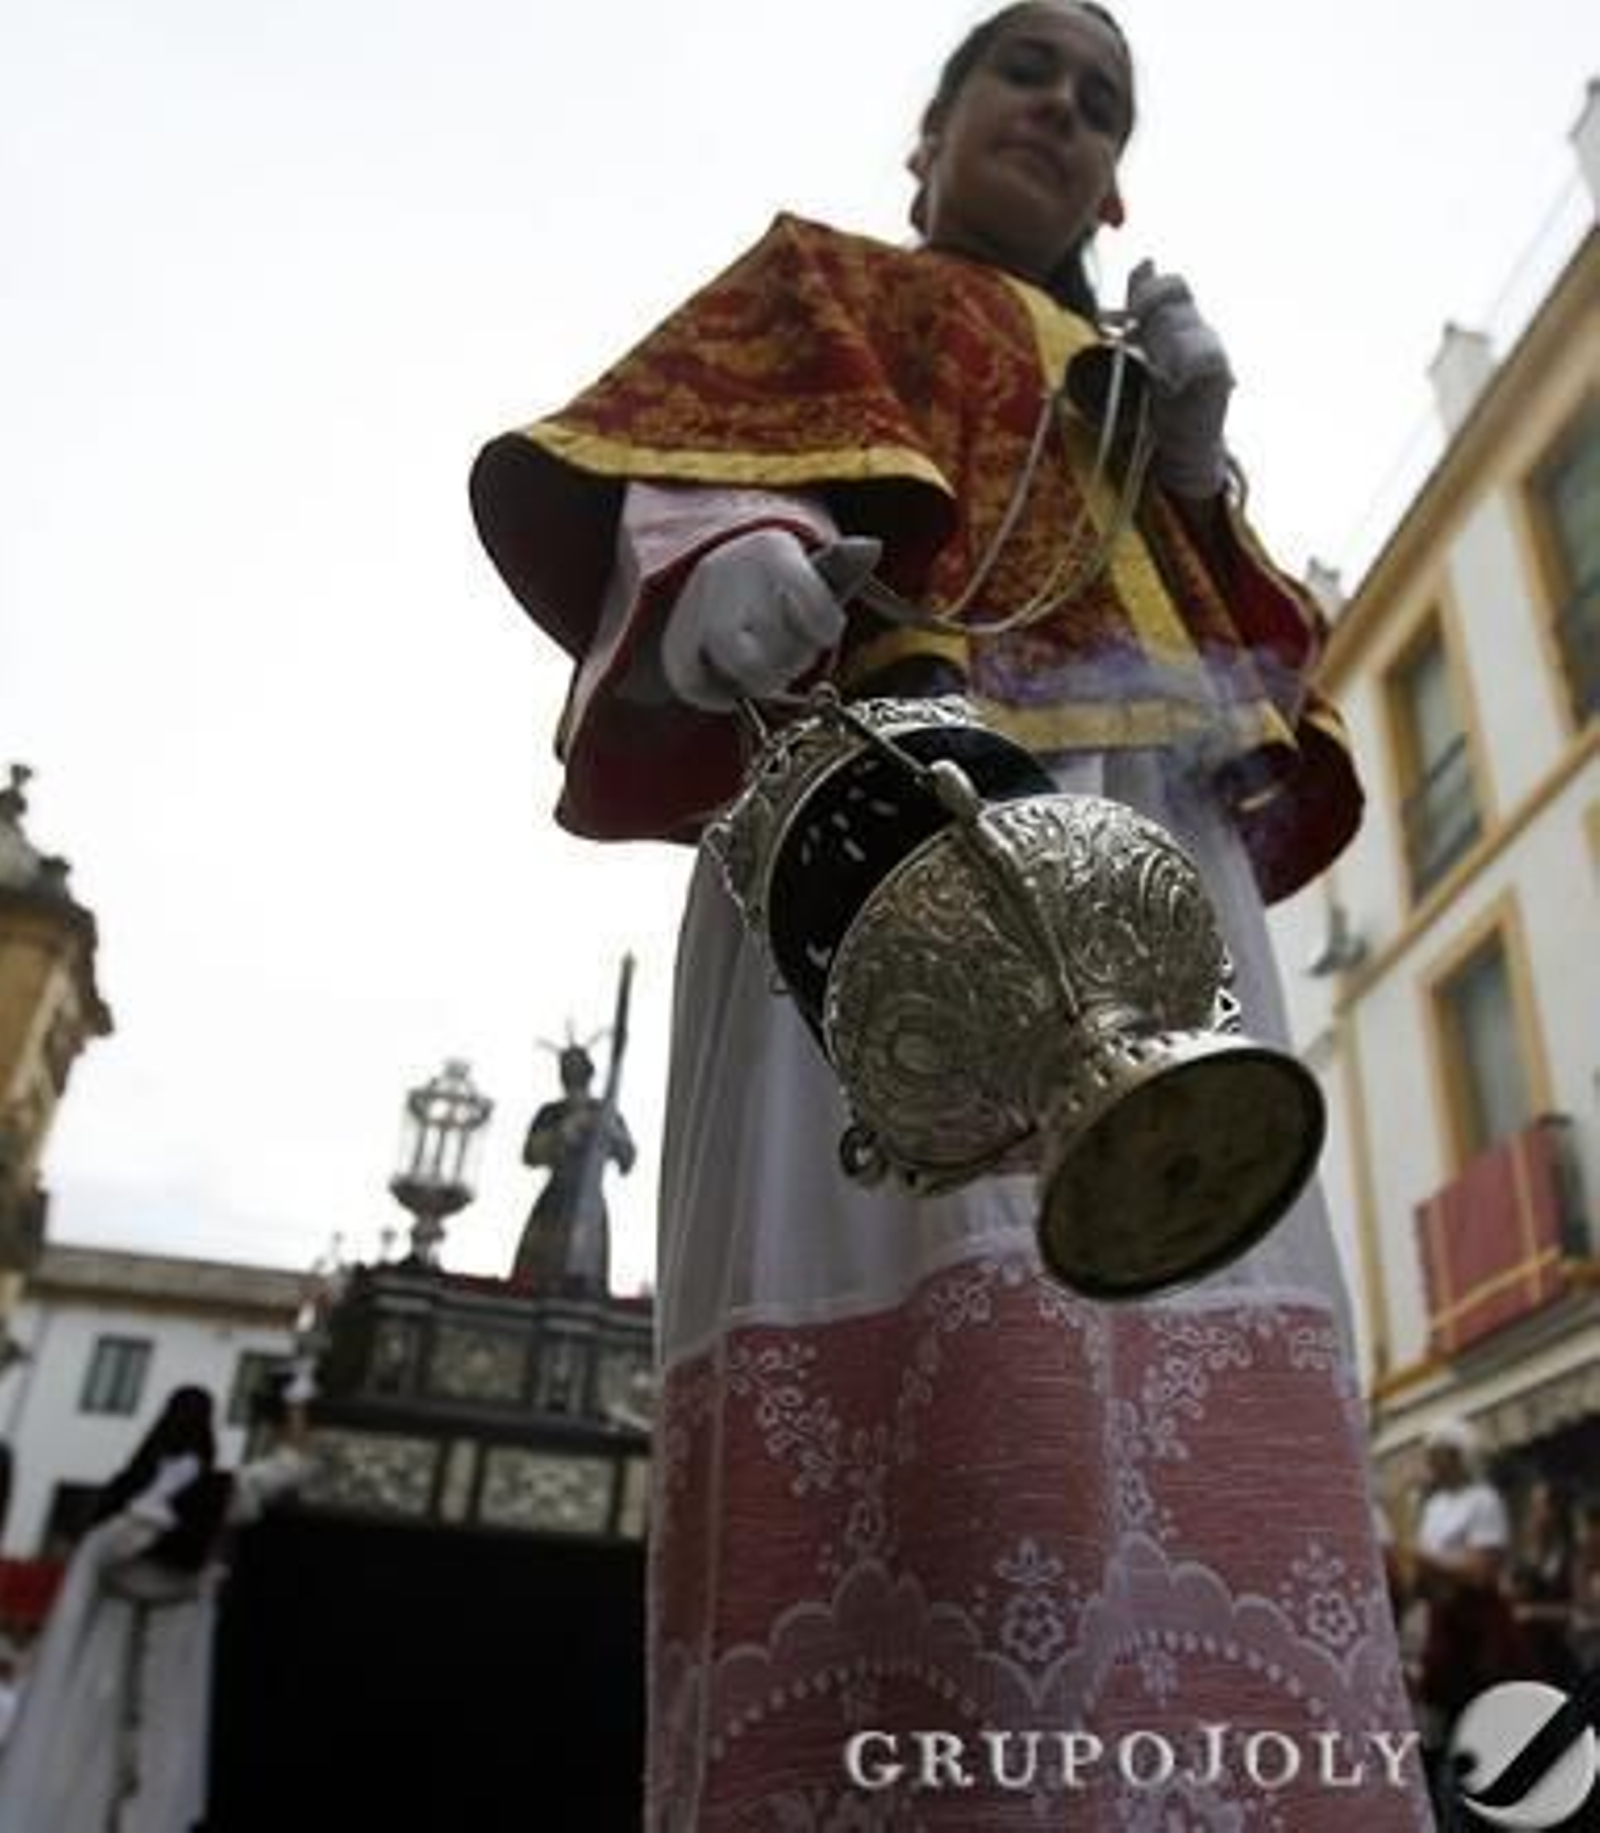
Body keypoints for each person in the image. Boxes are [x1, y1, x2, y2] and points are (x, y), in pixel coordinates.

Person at [472, 5, 1423, 1824]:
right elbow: (678, 483)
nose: (1062, 112)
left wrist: (1198, 464)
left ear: (1122, 175)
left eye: (1103, 100)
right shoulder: (819, 289)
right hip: (885, 848)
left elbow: (1249, 679)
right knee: (941, 1345)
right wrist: (719, 565)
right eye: (1028, 73)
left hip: (1159, 894)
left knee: (1197, 1267)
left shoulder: (1133, 391)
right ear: (927, 132)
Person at [0, 1378, 312, 1832]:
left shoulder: (148, 1493)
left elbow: (101, 1552)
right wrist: (296, 1407)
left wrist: (152, 1505)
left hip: (133, 1639)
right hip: (149, 1642)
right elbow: (290, 1465)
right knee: (129, 1753)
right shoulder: (193, 1492)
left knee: (104, 1752)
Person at [1408, 1418, 1528, 1799]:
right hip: (1445, 1629)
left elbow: (1480, 1572)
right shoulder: (1435, 1506)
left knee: (1491, 1722)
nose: (1432, 1463)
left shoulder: (1483, 1500)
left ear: (1457, 1457)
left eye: (1438, 1455)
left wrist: (1421, 1558)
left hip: (1479, 1632)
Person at [512, 1042, 637, 1295]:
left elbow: (627, 1159)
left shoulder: (605, 1110)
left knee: (585, 1280)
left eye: (577, 1067)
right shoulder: (551, 1112)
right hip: (555, 1200)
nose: (572, 1073)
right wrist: (567, 1129)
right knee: (536, 1275)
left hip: (589, 1202)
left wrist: (611, 1133)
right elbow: (530, 1155)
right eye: (568, 1067)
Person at [1508, 1476, 1579, 1688]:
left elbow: (1579, 1612)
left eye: (1539, 1507)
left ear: (1555, 1512)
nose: (1532, 1515)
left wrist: (1532, 1613)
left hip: (1561, 1661)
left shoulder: (1571, 1557)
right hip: (1528, 1661)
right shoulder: (1526, 1554)